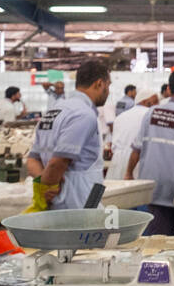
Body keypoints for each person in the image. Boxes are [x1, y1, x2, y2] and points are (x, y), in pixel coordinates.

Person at [24, 60, 110, 210]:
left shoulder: (54, 110)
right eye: (108, 86)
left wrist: (43, 187)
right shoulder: (83, 114)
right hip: (77, 204)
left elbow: (33, 159)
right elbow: (59, 161)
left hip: (60, 203)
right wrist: (48, 186)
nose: (108, 91)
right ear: (99, 83)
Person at [127, 68, 174, 235]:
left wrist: (128, 173)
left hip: (153, 187)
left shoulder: (152, 112)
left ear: (169, 89)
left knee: (157, 243)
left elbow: (137, 148)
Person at [107, 97, 150, 181]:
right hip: (136, 160)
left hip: (117, 160)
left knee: (116, 191)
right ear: (145, 101)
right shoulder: (148, 114)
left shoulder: (121, 116)